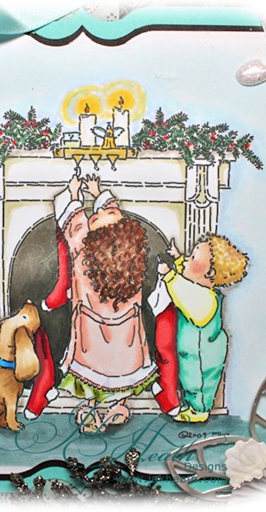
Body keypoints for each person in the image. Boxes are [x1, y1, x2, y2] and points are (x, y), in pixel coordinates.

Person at [47, 173, 157, 433]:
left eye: (100, 215)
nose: (99, 213)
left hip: (92, 335)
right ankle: (118, 405)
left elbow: (73, 225)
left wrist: (75, 194)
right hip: (126, 338)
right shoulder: (132, 264)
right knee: (122, 370)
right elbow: (110, 215)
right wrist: (99, 194)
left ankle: (92, 408)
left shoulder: (84, 253)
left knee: (92, 374)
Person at [150, 234, 248, 423]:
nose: (187, 259)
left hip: (201, 355)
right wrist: (178, 259)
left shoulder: (205, 297)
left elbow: (182, 290)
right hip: (192, 352)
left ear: (209, 273)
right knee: (189, 378)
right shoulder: (197, 286)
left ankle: (199, 410)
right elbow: (187, 277)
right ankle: (192, 406)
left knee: (198, 382)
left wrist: (168, 275)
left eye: (193, 257)